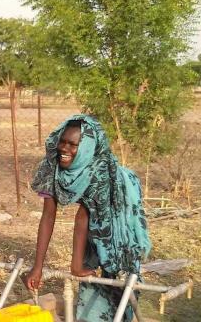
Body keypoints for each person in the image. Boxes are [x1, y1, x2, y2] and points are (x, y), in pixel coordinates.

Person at [24, 115, 151, 322]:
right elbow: (48, 216)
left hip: (118, 224)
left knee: (119, 279)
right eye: (62, 142)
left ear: (86, 149)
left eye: (73, 145)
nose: (64, 149)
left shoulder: (100, 169)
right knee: (90, 277)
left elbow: (82, 217)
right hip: (92, 230)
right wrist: (37, 267)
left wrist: (75, 266)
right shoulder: (53, 166)